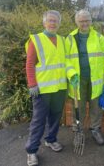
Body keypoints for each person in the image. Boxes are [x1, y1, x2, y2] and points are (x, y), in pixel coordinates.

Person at [25, 10, 68, 166]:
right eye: (50, 20)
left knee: (55, 117)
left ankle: (51, 139)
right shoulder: (36, 40)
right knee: (38, 120)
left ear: (59, 23)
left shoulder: (63, 40)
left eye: (55, 21)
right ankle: (31, 151)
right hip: (42, 89)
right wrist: (32, 84)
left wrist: (72, 76)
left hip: (60, 87)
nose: (52, 23)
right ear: (44, 23)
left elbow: (67, 62)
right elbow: (29, 64)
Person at [65, 9, 104, 145]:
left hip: (95, 80)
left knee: (96, 108)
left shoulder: (99, 38)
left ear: (91, 21)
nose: (84, 23)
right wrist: (71, 74)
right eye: (81, 21)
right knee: (78, 108)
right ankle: (78, 132)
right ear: (76, 22)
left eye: (87, 20)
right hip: (77, 80)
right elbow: (65, 59)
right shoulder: (70, 39)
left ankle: (95, 130)